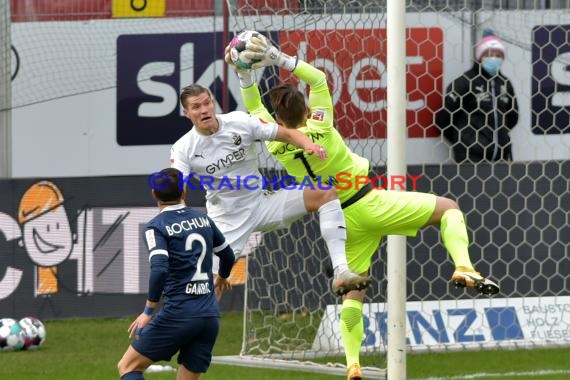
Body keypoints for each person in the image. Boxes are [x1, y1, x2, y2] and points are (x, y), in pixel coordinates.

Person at [227, 34, 500, 380]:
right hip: (369, 202)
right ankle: (464, 266)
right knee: (448, 208)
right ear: (308, 111)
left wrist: (243, 73)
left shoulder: (277, 143)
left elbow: (254, 109)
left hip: (341, 219)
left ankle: (353, 364)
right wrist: (278, 58)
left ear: (278, 121)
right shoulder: (321, 127)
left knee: (354, 291)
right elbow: (318, 79)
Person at [170, 84, 371, 297]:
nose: (204, 110)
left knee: (326, 193)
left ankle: (341, 270)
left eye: (207, 103)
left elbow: (286, 134)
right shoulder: (184, 148)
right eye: (196, 107)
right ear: (187, 113)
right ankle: (198, 326)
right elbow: (177, 189)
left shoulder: (239, 122)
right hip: (227, 220)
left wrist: (308, 145)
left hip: (262, 204)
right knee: (210, 290)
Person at [117, 167, 235, 380]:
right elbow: (227, 255)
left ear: (154, 194)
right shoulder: (204, 219)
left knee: (128, 367)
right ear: (184, 192)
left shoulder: (156, 226)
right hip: (209, 316)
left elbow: (160, 267)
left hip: (179, 313)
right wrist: (222, 277)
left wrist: (148, 311)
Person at [435, 29, 519, 163]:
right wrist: (463, 142)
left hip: (501, 158)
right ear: (480, 56)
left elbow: (513, 117)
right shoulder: (464, 82)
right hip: (471, 158)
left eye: (498, 55)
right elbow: (443, 119)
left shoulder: (505, 84)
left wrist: (501, 138)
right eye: (489, 54)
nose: (494, 58)